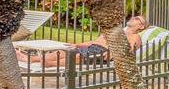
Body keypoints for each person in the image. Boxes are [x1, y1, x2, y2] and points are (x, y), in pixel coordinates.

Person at [22, 16, 150, 69]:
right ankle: (32, 59)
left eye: (137, 18)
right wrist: (77, 45)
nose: (133, 18)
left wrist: (113, 54)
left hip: (103, 53)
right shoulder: (116, 31)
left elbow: (130, 49)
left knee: (77, 57)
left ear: (141, 26)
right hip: (94, 47)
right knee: (64, 51)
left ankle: (47, 64)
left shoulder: (135, 36)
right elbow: (94, 41)